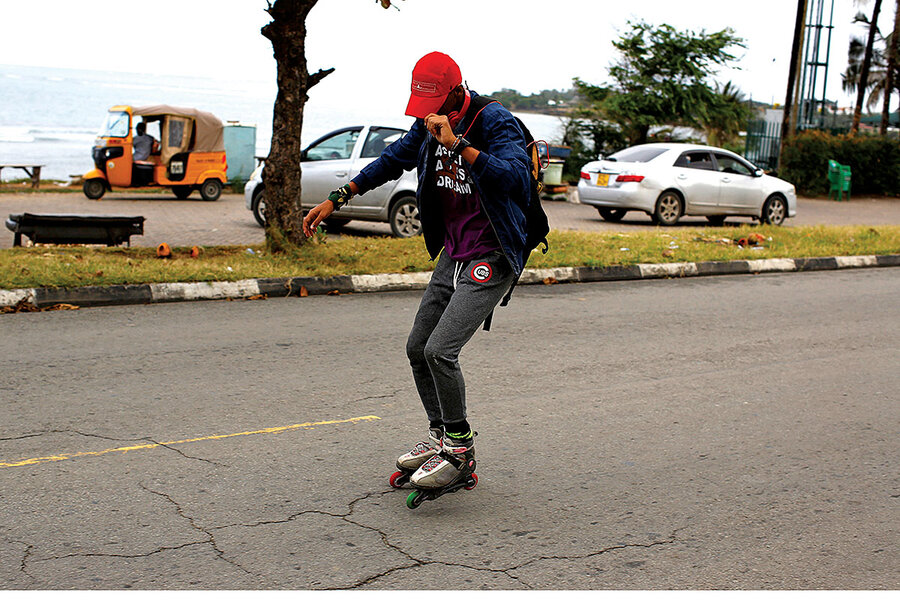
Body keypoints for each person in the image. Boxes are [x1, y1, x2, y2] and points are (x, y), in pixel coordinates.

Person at [302, 51, 531, 493]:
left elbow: (516, 178)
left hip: (493, 252)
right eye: (425, 104)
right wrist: (339, 197)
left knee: (440, 351)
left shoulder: (494, 121)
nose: (432, 114)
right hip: (454, 251)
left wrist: (459, 145)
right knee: (417, 347)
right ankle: (441, 434)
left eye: (439, 103)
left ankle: (460, 449)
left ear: (458, 92)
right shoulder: (427, 122)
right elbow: (392, 160)